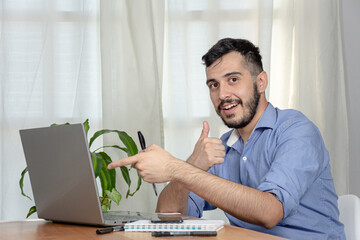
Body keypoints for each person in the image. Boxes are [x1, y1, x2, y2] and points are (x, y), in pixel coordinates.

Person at [108, 38, 345, 239]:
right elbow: (168, 216)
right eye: (214, 84)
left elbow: (269, 213)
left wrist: (176, 168)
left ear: (260, 82)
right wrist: (191, 165)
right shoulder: (220, 147)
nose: (222, 94)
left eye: (233, 80)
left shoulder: (297, 131)